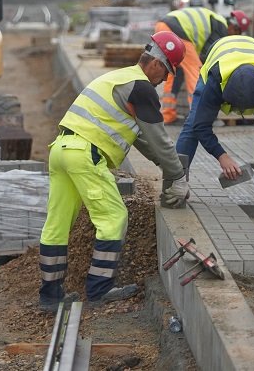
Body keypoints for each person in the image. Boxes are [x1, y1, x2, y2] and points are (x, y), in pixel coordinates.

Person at [38, 31, 191, 312]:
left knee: (57, 224)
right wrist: (179, 176)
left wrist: (166, 166)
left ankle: (50, 296)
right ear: (156, 64)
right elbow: (159, 139)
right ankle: (99, 290)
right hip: (85, 155)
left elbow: (142, 140)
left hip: (60, 150)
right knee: (113, 217)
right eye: (166, 72)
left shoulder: (119, 79)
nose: (165, 80)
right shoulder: (142, 88)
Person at [175, 35, 254, 204]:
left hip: (252, 56)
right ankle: (176, 181)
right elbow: (201, 126)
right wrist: (222, 156)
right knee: (192, 125)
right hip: (218, 57)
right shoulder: (215, 80)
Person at [155, 8, 249, 124]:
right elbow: (207, 56)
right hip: (177, 30)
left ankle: (168, 114)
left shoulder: (216, 21)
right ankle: (200, 116)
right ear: (234, 28)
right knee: (196, 72)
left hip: (162, 27)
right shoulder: (221, 28)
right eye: (236, 34)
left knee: (175, 72)